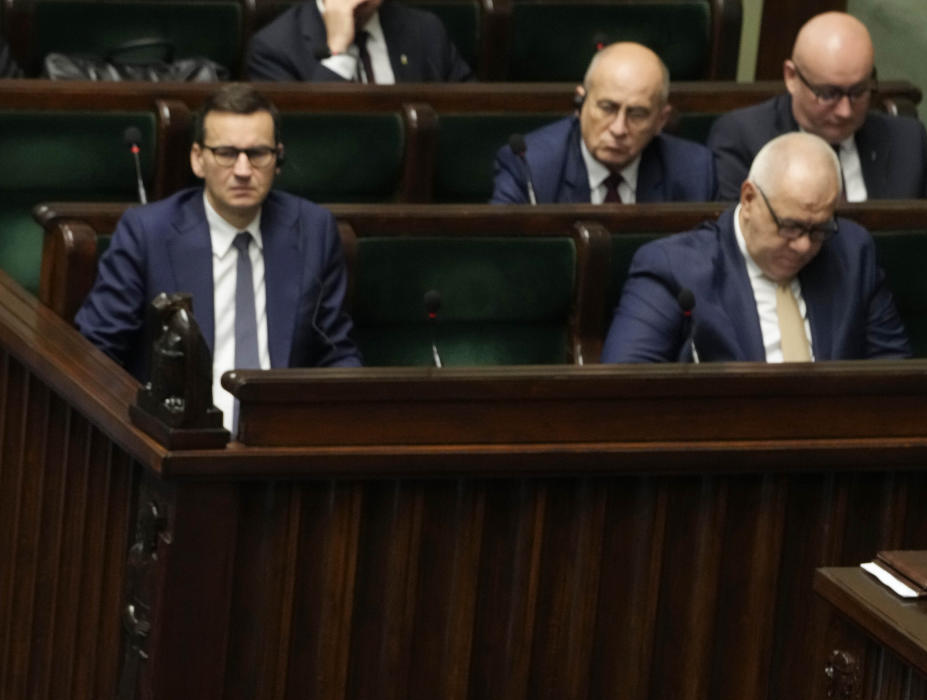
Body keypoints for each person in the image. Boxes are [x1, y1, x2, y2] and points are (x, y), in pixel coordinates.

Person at [75, 84, 360, 427]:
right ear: (198, 159)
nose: (242, 170)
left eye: (257, 153)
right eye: (226, 152)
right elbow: (95, 353)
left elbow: (336, 353)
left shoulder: (313, 230)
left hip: (283, 445)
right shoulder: (148, 234)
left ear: (278, 158)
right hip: (176, 442)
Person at [602, 131, 911, 363]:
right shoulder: (673, 268)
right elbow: (626, 385)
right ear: (749, 199)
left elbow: (893, 373)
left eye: (819, 230)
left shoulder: (853, 253)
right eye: (790, 226)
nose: (803, 246)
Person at [708, 11, 927, 202]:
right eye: (829, 94)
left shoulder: (908, 141)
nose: (845, 111)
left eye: (858, 92)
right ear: (791, 77)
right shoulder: (742, 138)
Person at [490, 42, 715, 205]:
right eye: (607, 108)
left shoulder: (694, 171)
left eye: (637, 114)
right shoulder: (529, 166)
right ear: (580, 105)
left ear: (660, 120)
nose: (618, 129)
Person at [246, 0, 471, 84]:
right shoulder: (273, 47)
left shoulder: (426, 30)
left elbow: (470, 115)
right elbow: (305, 141)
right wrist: (338, 53)